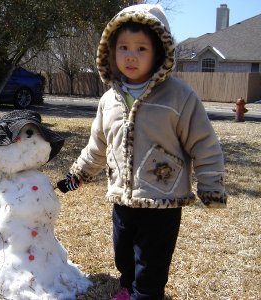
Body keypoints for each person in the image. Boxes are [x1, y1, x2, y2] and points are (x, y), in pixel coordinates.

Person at [56, 4, 227, 300]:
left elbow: (203, 142)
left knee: (151, 262)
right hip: (122, 198)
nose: (131, 56)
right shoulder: (109, 99)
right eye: (123, 47)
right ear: (111, 51)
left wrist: (211, 185)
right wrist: (78, 174)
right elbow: (97, 145)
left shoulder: (179, 96)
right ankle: (128, 287)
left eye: (141, 48)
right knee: (124, 253)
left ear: (159, 52)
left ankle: (145, 295)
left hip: (162, 201)